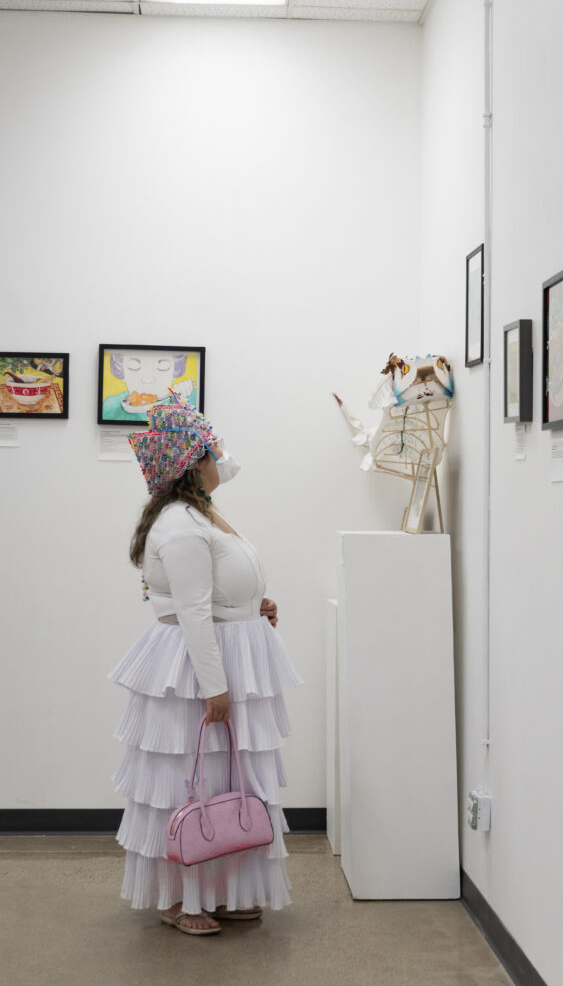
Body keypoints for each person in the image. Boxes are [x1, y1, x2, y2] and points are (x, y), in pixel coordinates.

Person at [108, 394, 303, 936]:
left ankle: (218, 891)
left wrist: (250, 607)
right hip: (200, 668)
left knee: (223, 778)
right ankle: (182, 899)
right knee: (189, 779)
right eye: (213, 449)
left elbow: (215, 592)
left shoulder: (199, 513)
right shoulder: (180, 524)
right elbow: (193, 612)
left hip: (224, 654)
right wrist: (214, 688)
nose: (222, 457)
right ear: (195, 461)